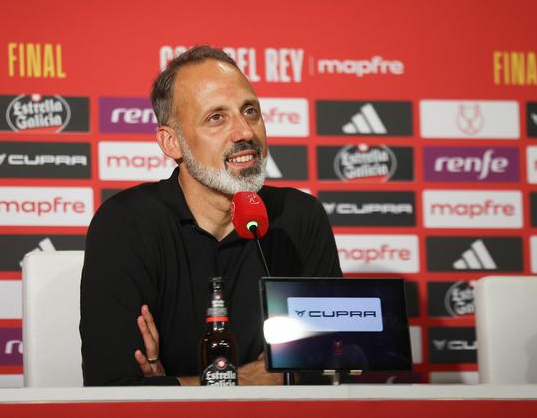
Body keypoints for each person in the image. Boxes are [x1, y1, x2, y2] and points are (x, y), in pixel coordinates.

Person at [80, 46, 342, 386]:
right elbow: (112, 387)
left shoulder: (299, 218)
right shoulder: (125, 224)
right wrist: (253, 380)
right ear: (171, 143)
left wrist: (173, 386)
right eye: (216, 118)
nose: (245, 132)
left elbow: (331, 366)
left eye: (250, 111)